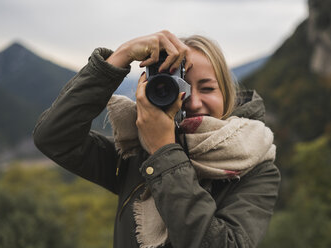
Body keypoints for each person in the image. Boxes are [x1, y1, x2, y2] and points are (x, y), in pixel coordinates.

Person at [33, 30, 280, 248]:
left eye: (207, 88)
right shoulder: (135, 155)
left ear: (227, 95)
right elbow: (54, 137)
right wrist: (122, 55)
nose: (193, 102)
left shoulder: (258, 167)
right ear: (150, 92)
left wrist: (163, 151)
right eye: (178, 89)